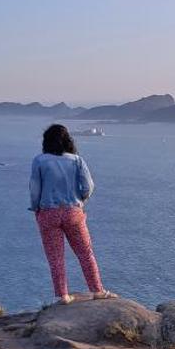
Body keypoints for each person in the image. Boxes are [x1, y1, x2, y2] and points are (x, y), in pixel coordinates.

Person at [29, 124, 114, 305]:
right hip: (73, 212)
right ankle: (98, 290)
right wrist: (81, 200)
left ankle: (63, 296)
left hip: (48, 213)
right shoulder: (77, 160)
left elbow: (34, 190)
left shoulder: (40, 161)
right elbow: (89, 187)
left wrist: (36, 208)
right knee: (85, 252)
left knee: (55, 257)